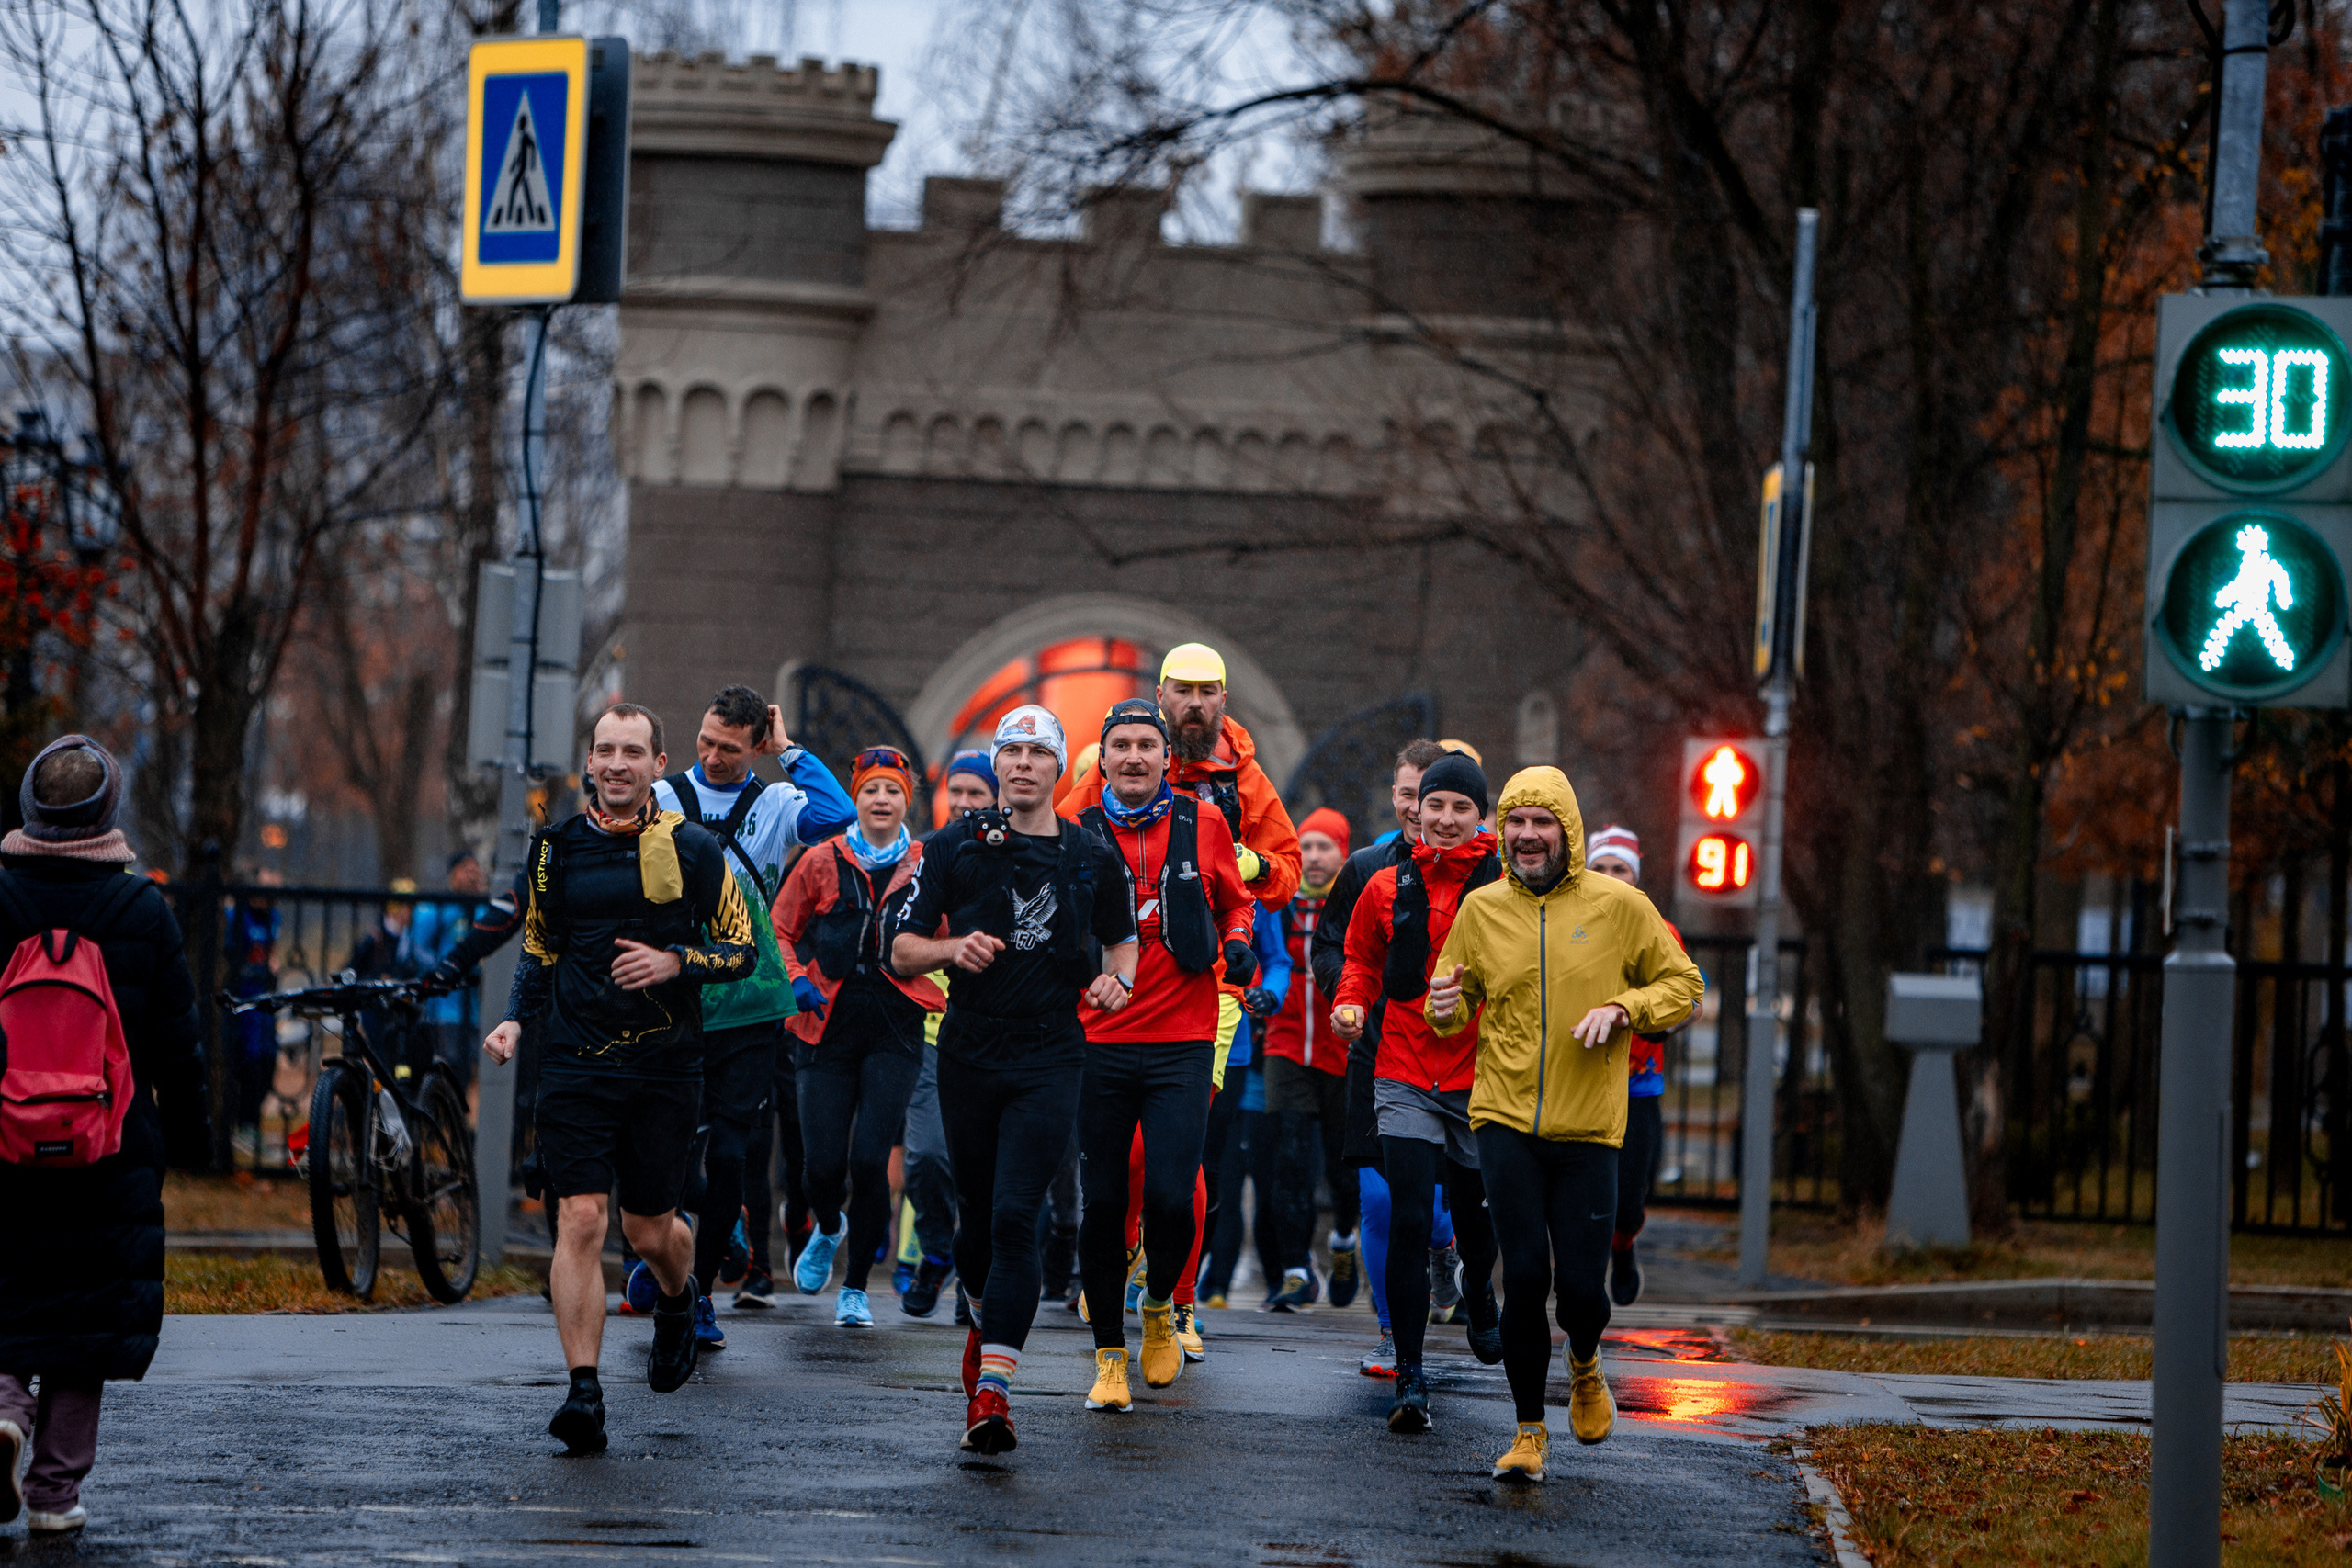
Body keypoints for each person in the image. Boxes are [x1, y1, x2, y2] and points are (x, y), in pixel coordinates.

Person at [483, 704, 760, 1455]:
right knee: (580, 1219)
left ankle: (678, 1293)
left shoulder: (696, 849)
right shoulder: (552, 851)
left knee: (647, 1229)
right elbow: (538, 946)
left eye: (631, 752)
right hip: (574, 1060)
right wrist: (514, 1018)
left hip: (665, 1065)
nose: (615, 763)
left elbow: (743, 950)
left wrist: (676, 962)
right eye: (604, 749)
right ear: (589, 763)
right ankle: (584, 1390)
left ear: (657, 766)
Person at [1427, 767, 1704, 1483]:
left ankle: (1585, 1357)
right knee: (1523, 1274)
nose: (1526, 836)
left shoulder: (1620, 905)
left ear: (1567, 833)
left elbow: (1684, 986)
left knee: (1581, 1289)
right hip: (1504, 1118)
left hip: (1588, 1127)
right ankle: (1527, 1432)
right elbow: (1452, 1011)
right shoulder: (1481, 909)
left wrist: (1624, 1009)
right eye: (1515, 823)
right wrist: (1443, 1003)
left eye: (1541, 823)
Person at [890, 705, 1137, 1455]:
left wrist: (1116, 984)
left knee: (1014, 1215)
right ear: (995, 766)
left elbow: (1123, 941)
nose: (1024, 762)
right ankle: (979, 1310)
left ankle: (994, 1391)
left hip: (1051, 1053)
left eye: (1038, 751)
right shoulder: (953, 844)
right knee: (974, 1224)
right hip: (970, 1048)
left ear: (1059, 766)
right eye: (1011, 751)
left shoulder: (1093, 855)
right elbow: (898, 950)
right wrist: (949, 948)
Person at [0, 736, 210, 1534]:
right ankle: (54, 1493)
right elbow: (176, 1043)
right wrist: (190, 1144)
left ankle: (6, 1409)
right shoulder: (141, 909)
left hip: (4, 1141)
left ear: (31, 806)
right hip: (109, 1146)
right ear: (107, 809)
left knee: (8, 1291)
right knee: (84, 1325)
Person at [1069, 698, 1256, 1403]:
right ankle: (1109, 1356)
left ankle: (1158, 1311)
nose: (1134, 757)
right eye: (1120, 745)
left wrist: (1236, 943)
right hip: (1102, 1039)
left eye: (1147, 744)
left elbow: (1238, 901)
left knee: (1174, 1196)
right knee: (1105, 1200)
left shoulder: (1202, 820)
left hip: (1183, 1035)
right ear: (1106, 758)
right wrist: (1086, 979)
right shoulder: (1077, 833)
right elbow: (1055, 929)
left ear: (1165, 757)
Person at [650, 686, 854, 1333]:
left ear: (754, 746)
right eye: (705, 742)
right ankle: (694, 1238)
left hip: (746, 999)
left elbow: (838, 812)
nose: (712, 756)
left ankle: (700, 1292)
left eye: (730, 749)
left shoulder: (774, 801)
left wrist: (788, 751)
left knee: (732, 1154)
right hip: (670, 996)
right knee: (666, 1147)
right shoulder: (661, 799)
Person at [1331, 750, 1505, 1434]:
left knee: (1473, 1216)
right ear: (1416, 810)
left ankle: (1479, 1290)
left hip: (1480, 1074)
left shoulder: (1501, 886)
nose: (1445, 818)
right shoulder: (1384, 883)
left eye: (1461, 807)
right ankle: (1410, 1373)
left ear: (1479, 815)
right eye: (1435, 805)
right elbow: (1360, 960)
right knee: (1407, 1215)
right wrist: (1350, 1004)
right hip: (1402, 1066)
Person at [773, 746, 944, 1327]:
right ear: (857, 798)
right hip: (824, 1028)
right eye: (871, 789)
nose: (880, 800)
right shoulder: (822, 859)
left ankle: (855, 1289)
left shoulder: (926, 865)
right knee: (822, 1167)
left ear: (906, 801)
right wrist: (795, 978)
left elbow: (948, 933)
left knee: (871, 1162)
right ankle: (827, 1225)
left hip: (896, 1029)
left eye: (892, 790)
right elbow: (781, 926)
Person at [1308, 738, 1452, 1373]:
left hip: (1453, 1056)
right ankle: (1394, 1334)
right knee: (1381, 1199)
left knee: (1443, 1203)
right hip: (1375, 1053)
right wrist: (1349, 998)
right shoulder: (1367, 866)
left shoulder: (1485, 873)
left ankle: (1449, 1251)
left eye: (1429, 794)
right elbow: (1330, 945)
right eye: (1405, 793)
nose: (1417, 808)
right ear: (1393, 797)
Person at [897, 749, 999, 1317]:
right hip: (932, 1034)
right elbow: (898, 942)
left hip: (998, 1035)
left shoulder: (1019, 854)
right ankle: (937, 1249)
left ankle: (975, 1275)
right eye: (955, 791)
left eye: (975, 794)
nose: (963, 803)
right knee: (927, 1157)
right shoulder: (928, 853)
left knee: (991, 1170)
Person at [1581, 825, 1691, 1307]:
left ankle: (1624, 1246)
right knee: (1579, 1203)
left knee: (1627, 1205)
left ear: (1636, 877)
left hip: (1637, 1090)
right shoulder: (1569, 925)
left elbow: (1691, 997)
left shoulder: (1660, 931)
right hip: (1579, 1085)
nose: (1610, 878)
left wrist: (1655, 1018)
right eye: (1600, 868)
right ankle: (1582, 1292)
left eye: (1620, 869)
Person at [1260, 807, 1360, 1311]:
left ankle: (1344, 1241)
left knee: (1344, 1169)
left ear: (1344, 853)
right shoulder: (1279, 902)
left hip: (1341, 1050)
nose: (1315, 857)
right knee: (1291, 1160)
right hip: (1285, 1043)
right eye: (1307, 847)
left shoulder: (1356, 901)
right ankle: (1298, 1268)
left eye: (1325, 847)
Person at [411, 852, 491, 1082]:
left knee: (466, 1074)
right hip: (443, 1010)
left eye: (476, 868)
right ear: (453, 874)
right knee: (445, 1070)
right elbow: (415, 949)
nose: (473, 874)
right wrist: (445, 970)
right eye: (467, 868)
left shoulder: (484, 911)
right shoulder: (436, 909)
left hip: (473, 1011)